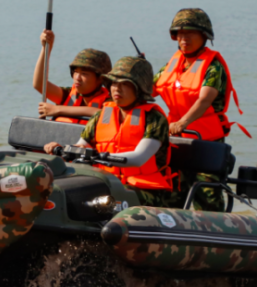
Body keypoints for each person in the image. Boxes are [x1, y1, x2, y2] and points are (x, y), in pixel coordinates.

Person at [44, 56, 173, 208]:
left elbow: (139, 158)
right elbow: (81, 146)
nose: (117, 89)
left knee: (99, 201)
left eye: (125, 84)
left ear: (139, 87)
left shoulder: (154, 118)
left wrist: (98, 157)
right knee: (61, 191)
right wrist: (62, 149)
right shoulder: (102, 114)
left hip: (145, 190)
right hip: (106, 181)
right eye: (113, 83)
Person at [154, 8, 246, 212]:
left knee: (207, 197)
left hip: (206, 142)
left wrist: (182, 123)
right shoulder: (173, 63)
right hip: (177, 141)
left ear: (204, 36)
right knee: (172, 193)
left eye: (190, 33)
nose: (184, 38)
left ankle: (217, 237)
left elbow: (204, 100)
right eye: (180, 34)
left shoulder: (213, 67)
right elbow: (150, 90)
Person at [32, 29, 112, 124]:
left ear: (100, 78)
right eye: (75, 72)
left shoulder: (111, 101)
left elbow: (103, 114)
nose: (77, 78)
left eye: (84, 74)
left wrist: (58, 109)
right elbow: (39, 84)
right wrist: (46, 48)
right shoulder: (68, 95)